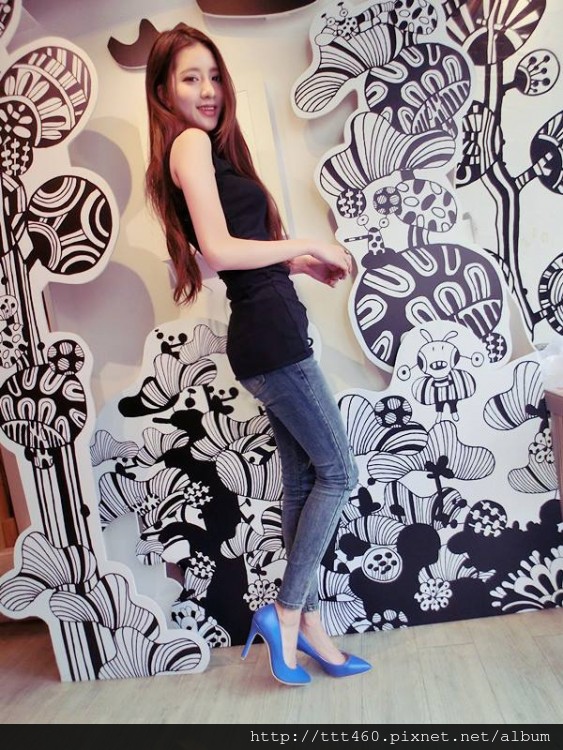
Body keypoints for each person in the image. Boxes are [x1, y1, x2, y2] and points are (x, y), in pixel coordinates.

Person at [145, 22, 371, 685]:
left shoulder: (205, 152)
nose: (208, 90)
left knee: (304, 481)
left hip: (266, 329)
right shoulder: (189, 143)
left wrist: (297, 264)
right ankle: (289, 612)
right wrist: (306, 241)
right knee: (339, 472)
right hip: (270, 336)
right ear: (163, 90)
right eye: (190, 78)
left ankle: (310, 629)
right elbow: (218, 250)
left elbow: (232, 257)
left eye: (214, 76)